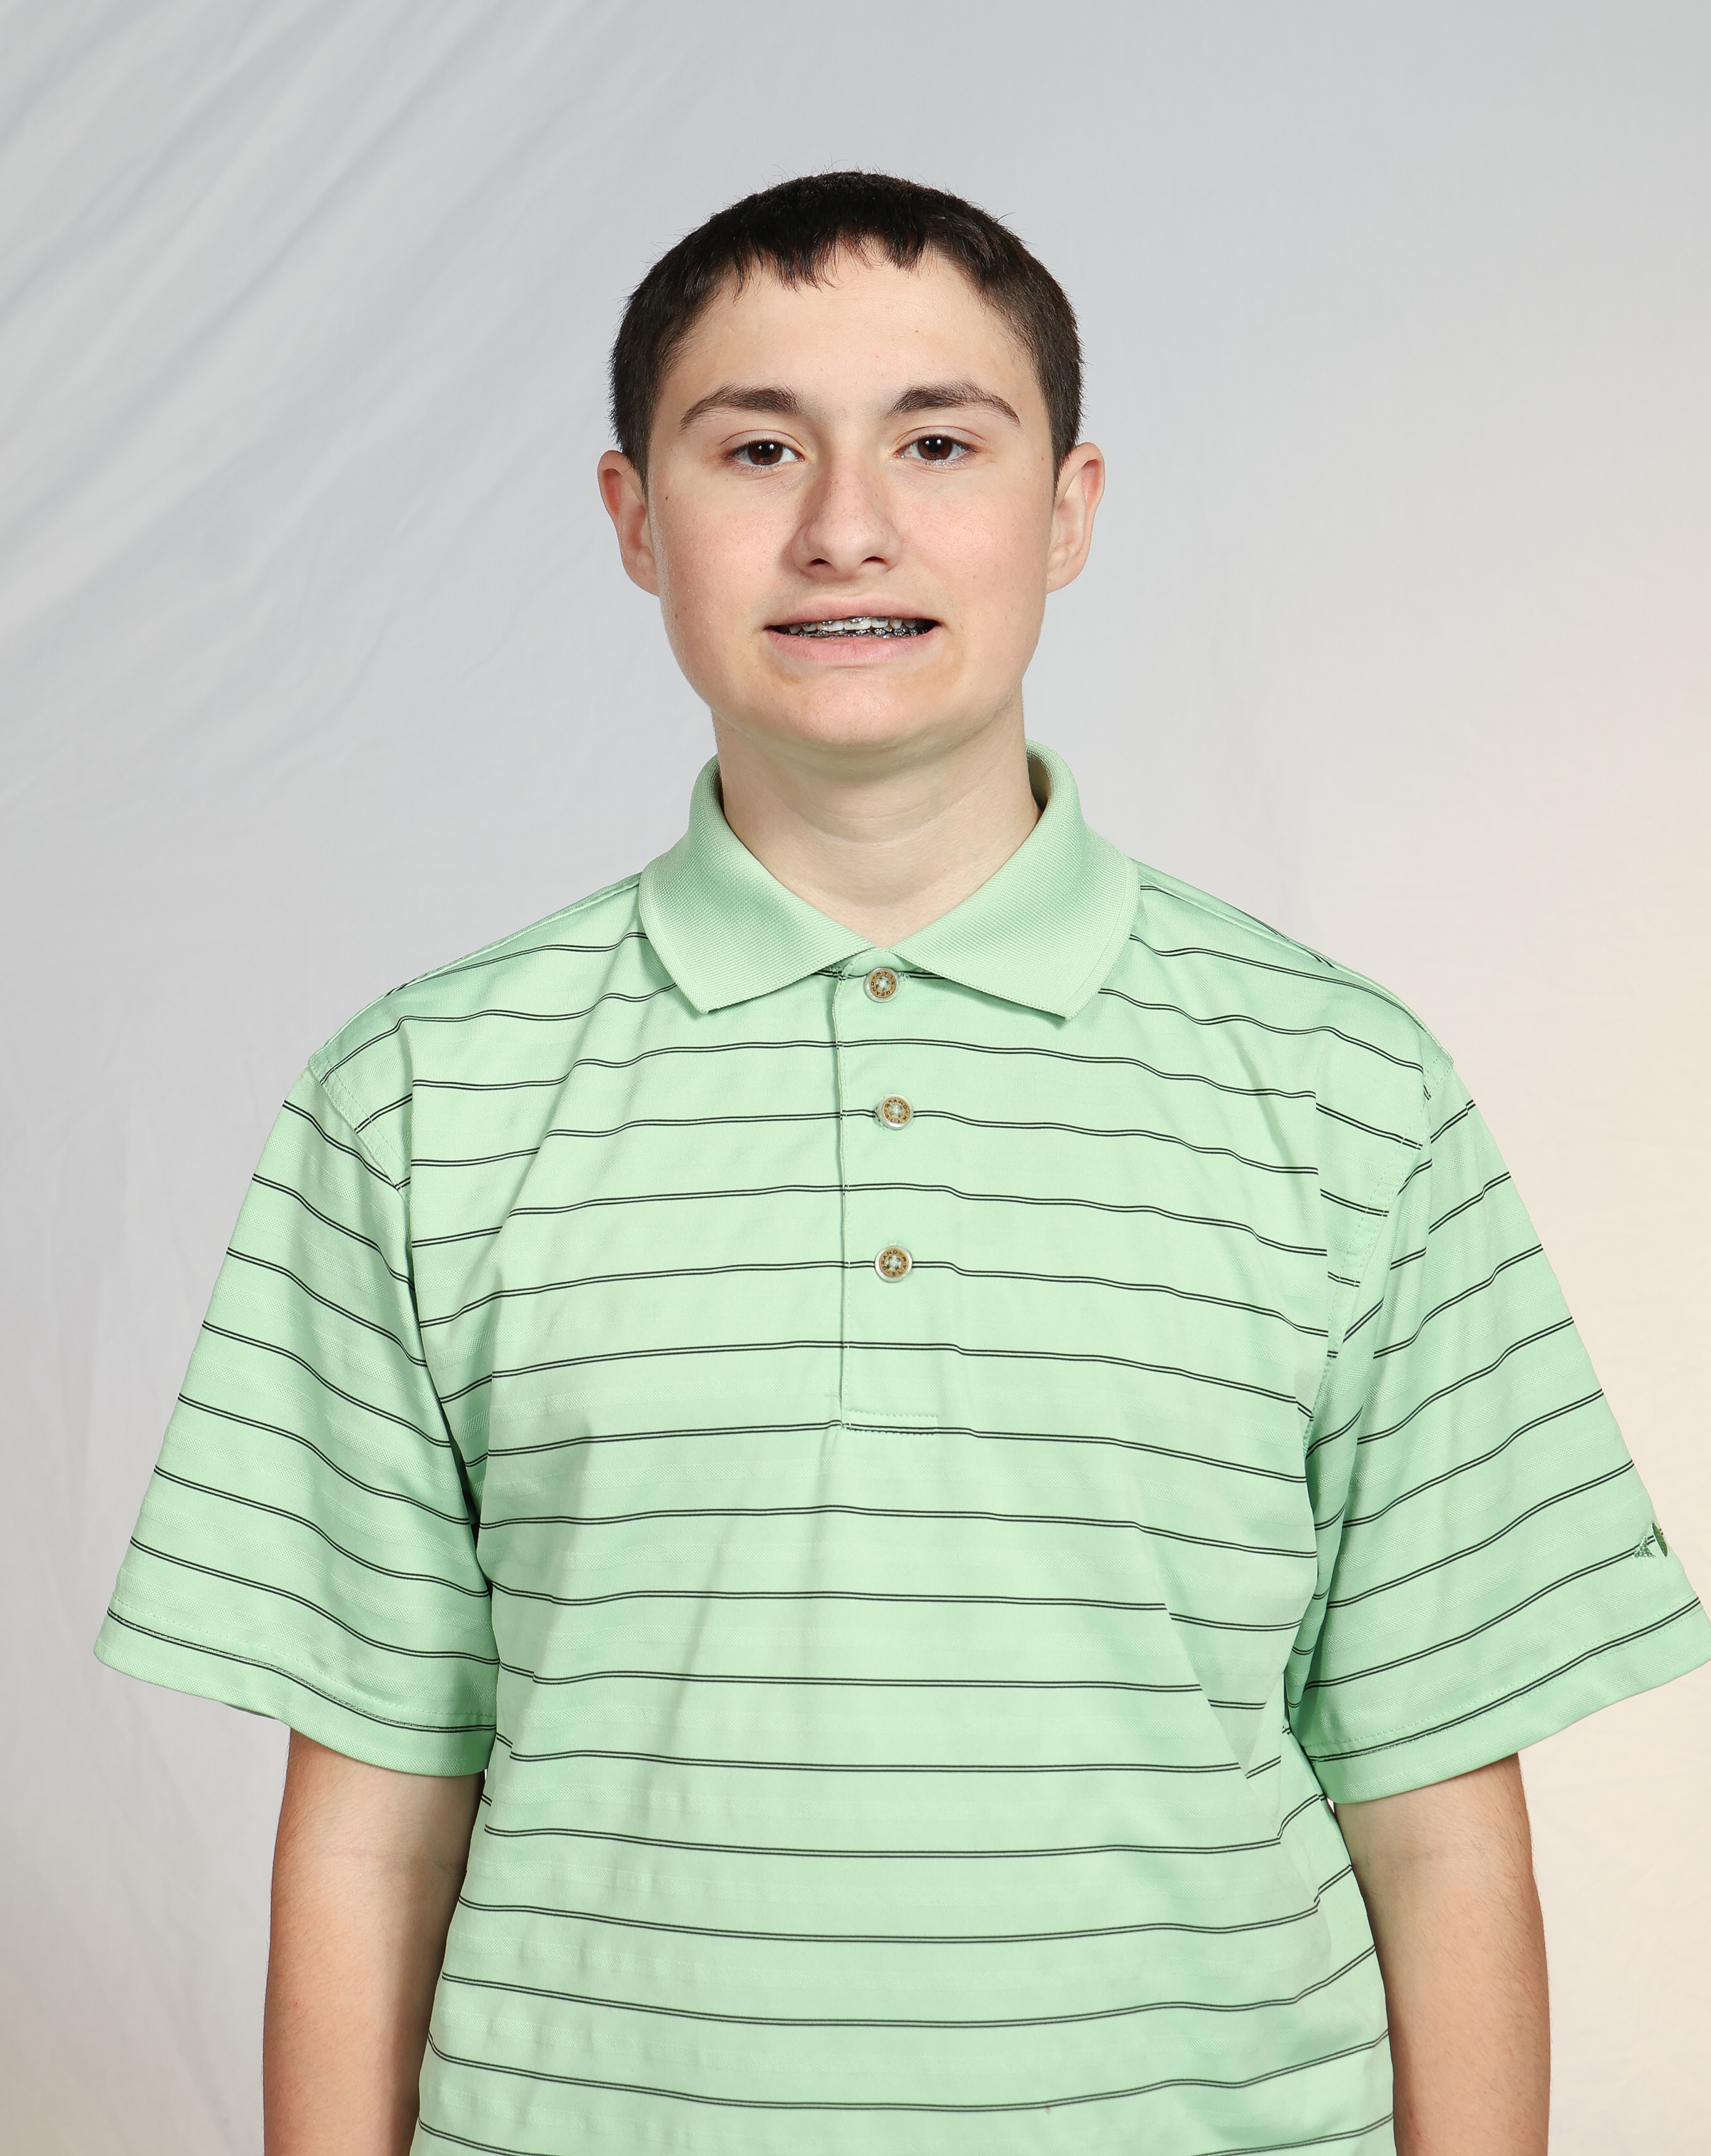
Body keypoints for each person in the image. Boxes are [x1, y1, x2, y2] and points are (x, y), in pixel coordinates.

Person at [98, 171, 1708, 2156]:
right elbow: (367, 1832)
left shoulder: (1349, 1092)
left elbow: (1441, 1819)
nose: (846, 524)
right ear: (634, 519)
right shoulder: (417, 1103)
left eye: (939, 443)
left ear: (1069, 510)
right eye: (757, 447)